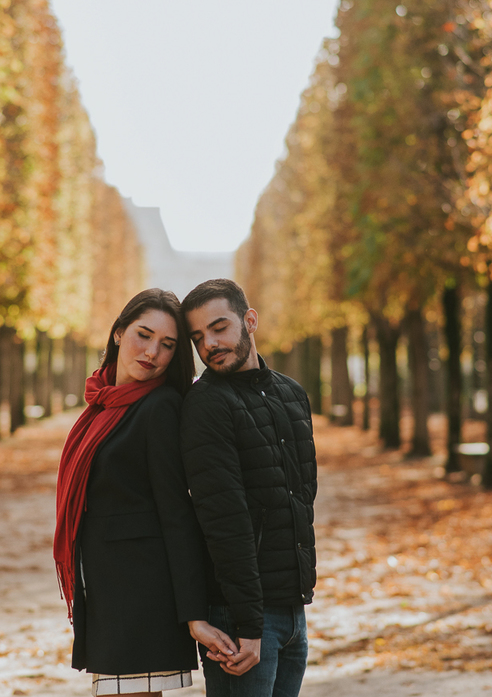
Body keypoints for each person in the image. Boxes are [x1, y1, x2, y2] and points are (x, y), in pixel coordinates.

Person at [54, 288, 237, 697]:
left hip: (142, 600)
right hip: (109, 595)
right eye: (144, 334)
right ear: (119, 333)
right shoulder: (102, 406)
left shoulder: (159, 408)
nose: (152, 351)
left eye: (167, 344)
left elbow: (177, 513)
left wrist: (193, 614)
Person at [179, 278, 318, 697]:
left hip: (293, 612)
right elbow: (225, 522)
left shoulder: (292, 394)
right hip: (240, 619)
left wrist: (294, 606)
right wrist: (249, 625)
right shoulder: (206, 405)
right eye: (198, 337)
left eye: (219, 328)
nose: (209, 345)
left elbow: (300, 500)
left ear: (249, 320)